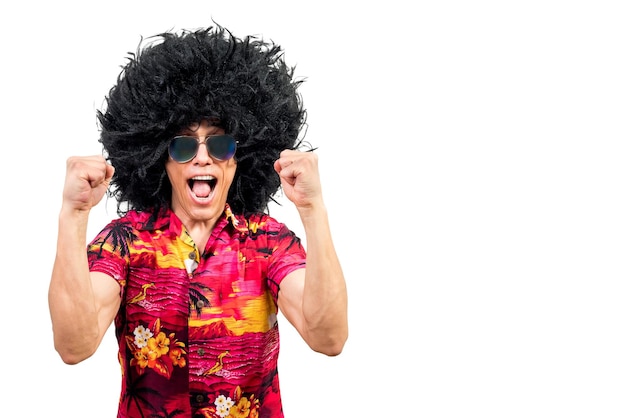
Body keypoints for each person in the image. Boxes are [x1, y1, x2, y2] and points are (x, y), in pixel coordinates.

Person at [48, 24, 348, 418]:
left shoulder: (269, 242)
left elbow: (328, 337)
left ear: (240, 157)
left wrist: (313, 210)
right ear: (162, 157)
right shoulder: (126, 240)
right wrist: (73, 215)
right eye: (185, 144)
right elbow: (74, 345)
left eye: (220, 143)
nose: (203, 158)